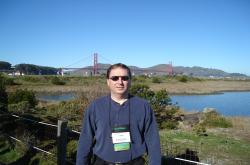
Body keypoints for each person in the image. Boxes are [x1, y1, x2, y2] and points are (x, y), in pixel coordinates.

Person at [76, 63, 161, 165]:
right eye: (115, 78)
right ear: (108, 81)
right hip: (101, 162)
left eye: (124, 78)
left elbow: (153, 142)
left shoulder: (143, 106)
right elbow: (85, 140)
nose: (120, 82)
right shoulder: (95, 107)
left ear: (130, 81)